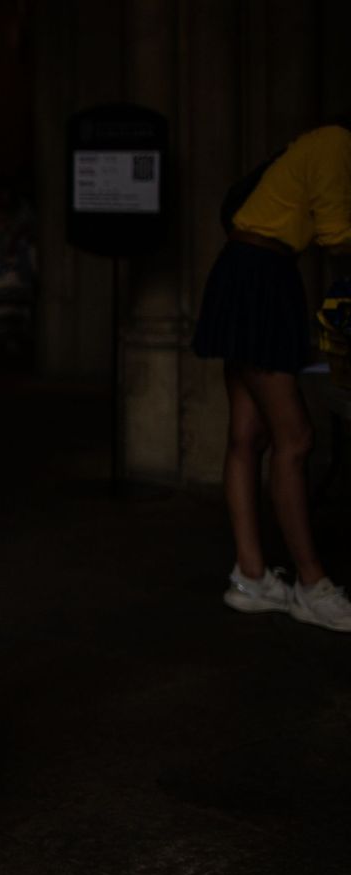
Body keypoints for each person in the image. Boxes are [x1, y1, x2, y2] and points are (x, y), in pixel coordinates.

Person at [194, 120, 351, 633]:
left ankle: (252, 577)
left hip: (250, 270)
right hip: (260, 276)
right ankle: (311, 584)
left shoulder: (319, 142)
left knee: (248, 434)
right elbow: (337, 236)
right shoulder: (337, 142)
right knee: (296, 439)